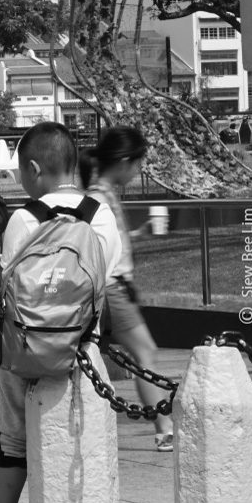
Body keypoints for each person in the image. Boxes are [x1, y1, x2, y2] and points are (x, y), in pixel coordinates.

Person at [0, 122, 121, 503]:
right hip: (82, 346)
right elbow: (106, 280)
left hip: (26, 348)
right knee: (73, 433)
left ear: (34, 169)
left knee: (12, 435)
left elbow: (15, 290)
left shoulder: (24, 218)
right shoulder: (100, 215)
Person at [80, 126, 173, 451]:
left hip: (116, 288)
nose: (138, 171)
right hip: (113, 289)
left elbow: (111, 243)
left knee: (139, 352)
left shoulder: (102, 195)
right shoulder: (97, 198)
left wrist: (139, 234)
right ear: (122, 161)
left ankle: (163, 426)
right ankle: (164, 428)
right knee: (145, 351)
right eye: (137, 164)